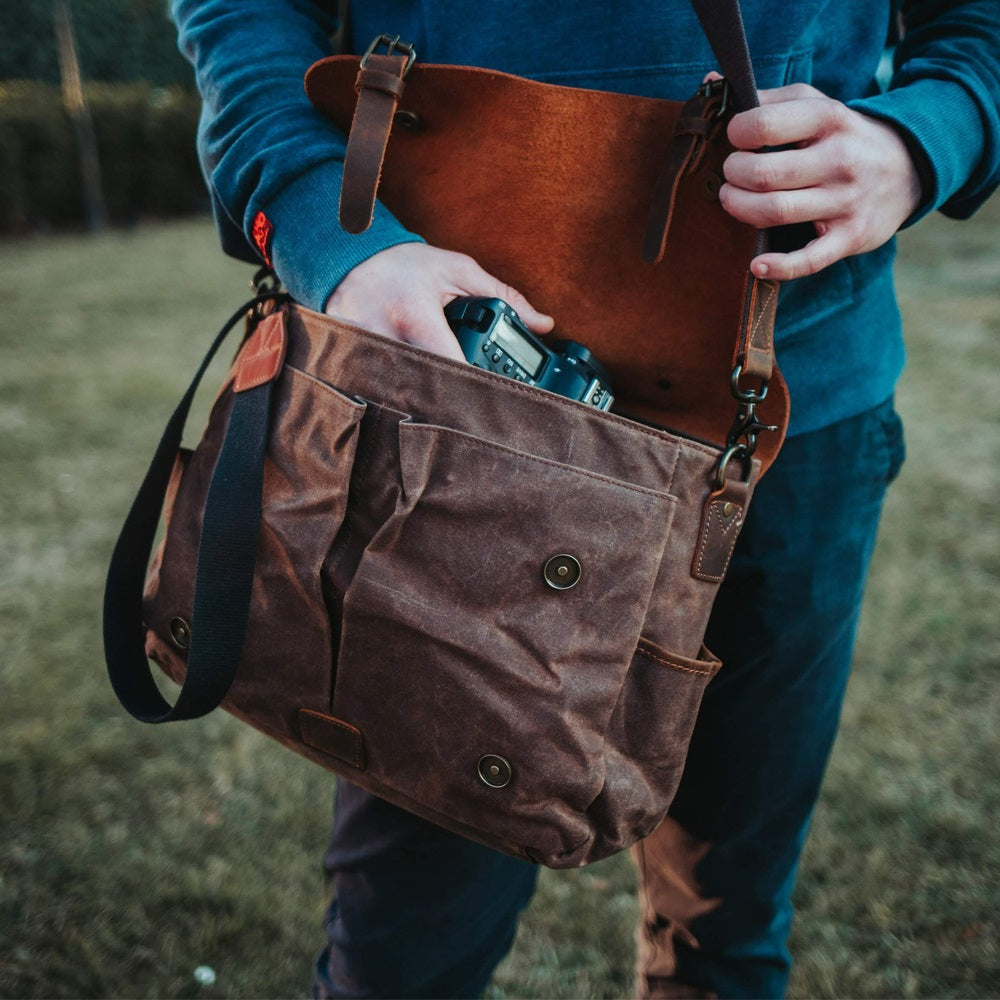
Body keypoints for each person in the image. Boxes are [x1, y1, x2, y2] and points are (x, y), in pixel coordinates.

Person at [169, 1, 1000, 996]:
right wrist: (319, 222)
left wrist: (924, 137)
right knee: (407, 947)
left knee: (727, 924)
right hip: (461, 403)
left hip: (795, 403)